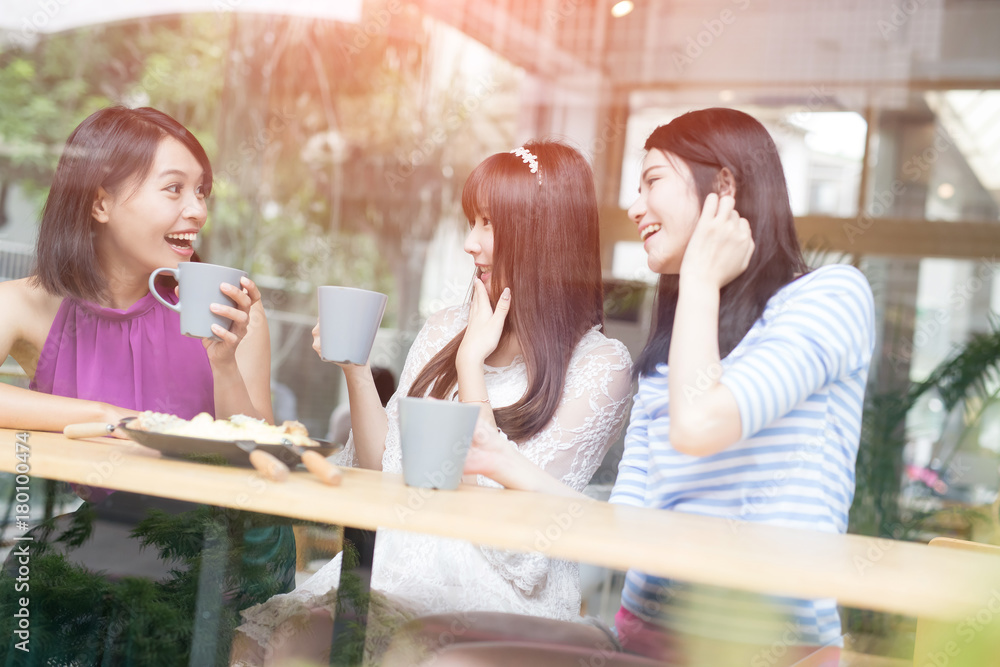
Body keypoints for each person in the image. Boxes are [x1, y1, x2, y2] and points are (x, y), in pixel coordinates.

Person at [452, 108, 876, 667]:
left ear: (723, 185)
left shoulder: (831, 298)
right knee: (433, 639)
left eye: (653, 181)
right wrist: (499, 460)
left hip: (761, 650)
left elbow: (700, 424)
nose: (634, 207)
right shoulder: (674, 349)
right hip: (640, 641)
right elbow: (625, 527)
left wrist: (700, 280)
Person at [234, 140, 634, 663]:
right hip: (392, 566)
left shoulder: (601, 365)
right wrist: (356, 370)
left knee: (388, 650)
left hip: (499, 594)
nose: (471, 243)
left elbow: (513, 548)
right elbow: (384, 468)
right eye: (472, 221)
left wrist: (471, 365)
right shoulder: (446, 326)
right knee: (268, 642)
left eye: (489, 224)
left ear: (543, 236)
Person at [0, 106, 292, 665]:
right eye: (174, 189)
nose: (197, 211)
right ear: (100, 201)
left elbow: (264, 458)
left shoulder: (228, 312)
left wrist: (225, 363)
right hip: (115, 529)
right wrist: (107, 416)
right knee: (31, 575)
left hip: (225, 538)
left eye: (202, 191)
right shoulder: (30, 303)